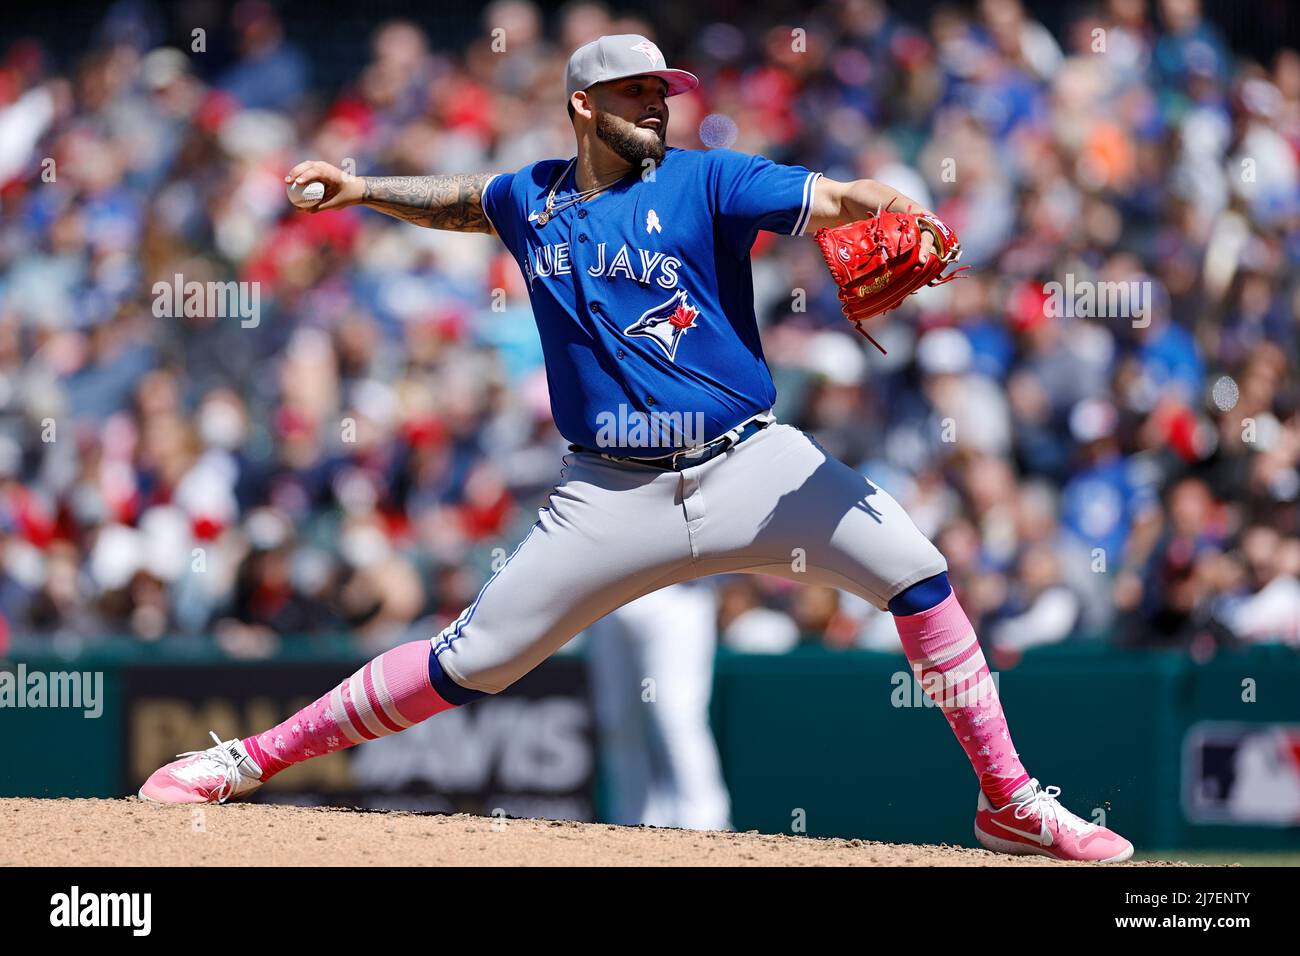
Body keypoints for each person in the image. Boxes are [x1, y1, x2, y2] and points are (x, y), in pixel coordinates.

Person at [140, 34, 1133, 862]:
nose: (657, 106)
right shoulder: (530, 198)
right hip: (607, 494)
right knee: (468, 661)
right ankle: (245, 761)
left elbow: (831, 200)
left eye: (663, 91)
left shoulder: (710, 179)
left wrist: (883, 200)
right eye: (634, 92)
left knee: (918, 573)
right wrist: (359, 189)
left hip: (750, 464)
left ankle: (1007, 800)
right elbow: (464, 198)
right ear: (582, 104)